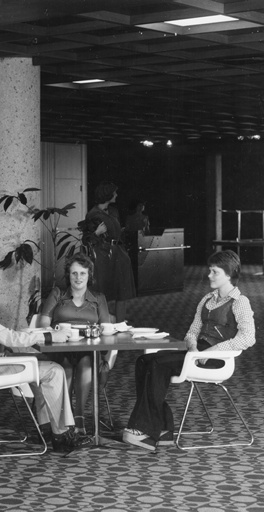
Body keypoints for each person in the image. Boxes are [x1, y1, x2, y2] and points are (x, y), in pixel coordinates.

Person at [0, 256, 90, 452]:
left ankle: (46, 428)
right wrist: (50, 337)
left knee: (41, 365)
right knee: (54, 370)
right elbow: (9, 340)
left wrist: (23, 335)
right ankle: (61, 435)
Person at [122, 250, 255, 451]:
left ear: (228, 275)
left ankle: (146, 431)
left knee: (157, 364)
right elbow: (192, 331)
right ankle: (164, 428)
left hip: (217, 358)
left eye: (214, 272)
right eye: (209, 271)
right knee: (144, 361)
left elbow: (247, 338)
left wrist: (212, 352)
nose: (209, 275)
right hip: (197, 352)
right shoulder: (207, 299)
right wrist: (193, 346)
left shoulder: (240, 302)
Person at [37, 253, 112, 434]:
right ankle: (68, 417)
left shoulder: (98, 298)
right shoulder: (58, 294)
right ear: (68, 275)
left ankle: (78, 418)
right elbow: (43, 323)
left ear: (89, 276)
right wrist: (57, 332)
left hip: (88, 349)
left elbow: (107, 328)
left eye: (82, 273)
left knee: (86, 360)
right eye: (74, 273)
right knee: (65, 365)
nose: (78, 278)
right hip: (60, 347)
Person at [84, 181, 136, 322]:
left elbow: (116, 230)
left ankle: (120, 324)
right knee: (102, 292)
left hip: (119, 252)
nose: (117, 195)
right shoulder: (93, 214)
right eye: (114, 192)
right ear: (107, 194)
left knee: (122, 292)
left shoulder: (113, 211)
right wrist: (97, 232)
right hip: (103, 255)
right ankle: (104, 323)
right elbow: (87, 239)